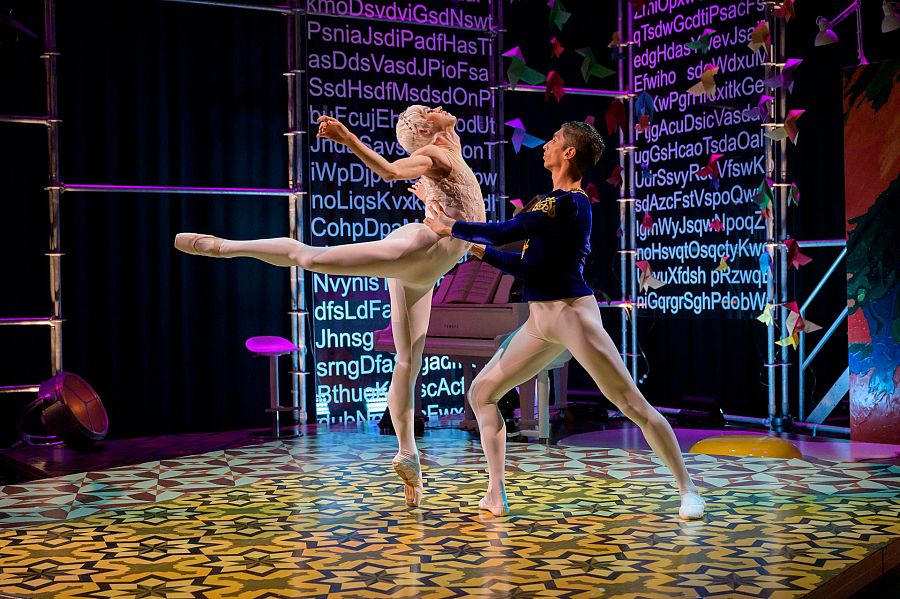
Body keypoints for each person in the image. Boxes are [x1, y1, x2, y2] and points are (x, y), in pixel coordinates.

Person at [174, 106, 485, 507]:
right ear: (426, 129)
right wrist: (349, 140)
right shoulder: (435, 154)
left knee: (409, 362)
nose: (438, 108)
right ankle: (223, 247)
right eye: (428, 111)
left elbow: (462, 204)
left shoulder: (448, 148)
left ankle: (408, 455)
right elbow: (391, 172)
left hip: (428, 268)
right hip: (419, 250)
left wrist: (444, 208)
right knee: (312, 257)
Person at [421, 121, 705, 520]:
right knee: (482, 393)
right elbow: (526, 264)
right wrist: (474, 248)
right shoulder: (549, 203)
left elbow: (505, 231)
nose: (545, 145)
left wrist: (448, 225)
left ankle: (688, 489)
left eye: (553, 140)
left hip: (573, 315)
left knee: (631, 405)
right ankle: (495, 492)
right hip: (541, 321)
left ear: (569, 153)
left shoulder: (568, 203)